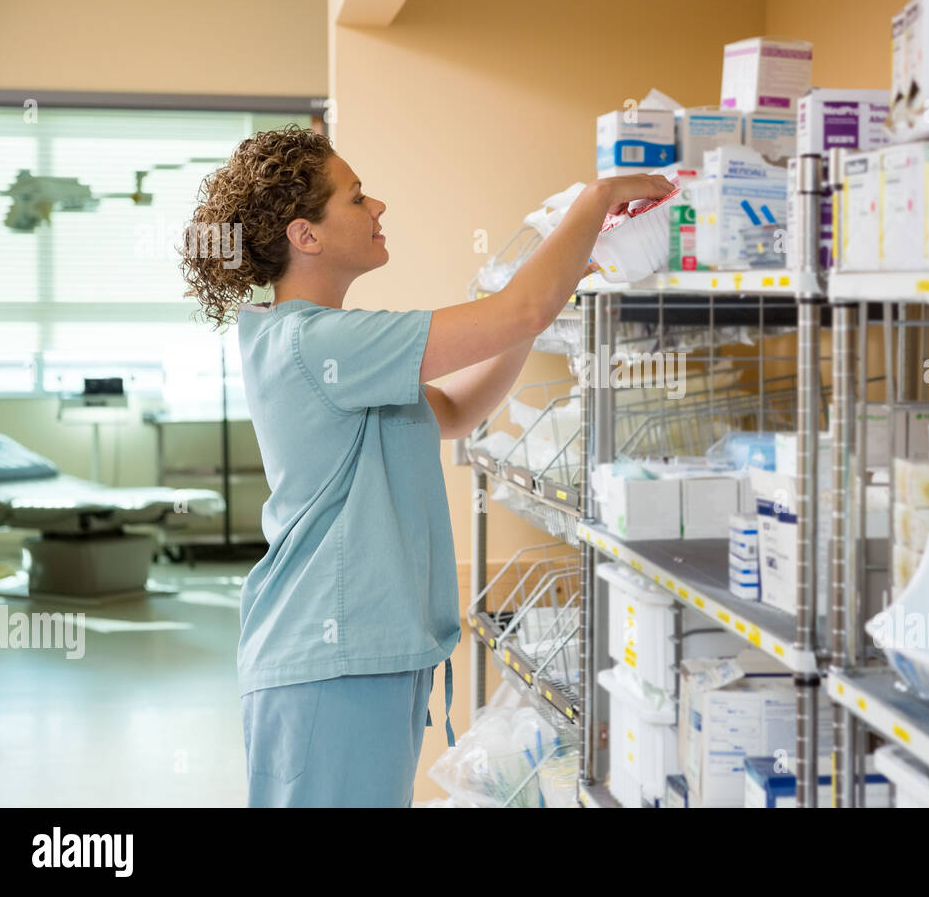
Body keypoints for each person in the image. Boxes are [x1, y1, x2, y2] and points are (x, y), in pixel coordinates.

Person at [179, 124, 673, 806]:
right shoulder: (319, 342)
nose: (377, 207)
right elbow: (517, 307)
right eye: (357, 198)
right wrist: (597, 201)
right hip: (332, 657)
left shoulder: (320, 343)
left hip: (361, 653)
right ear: (306, 235)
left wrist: (541, 309)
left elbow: (453, 412)